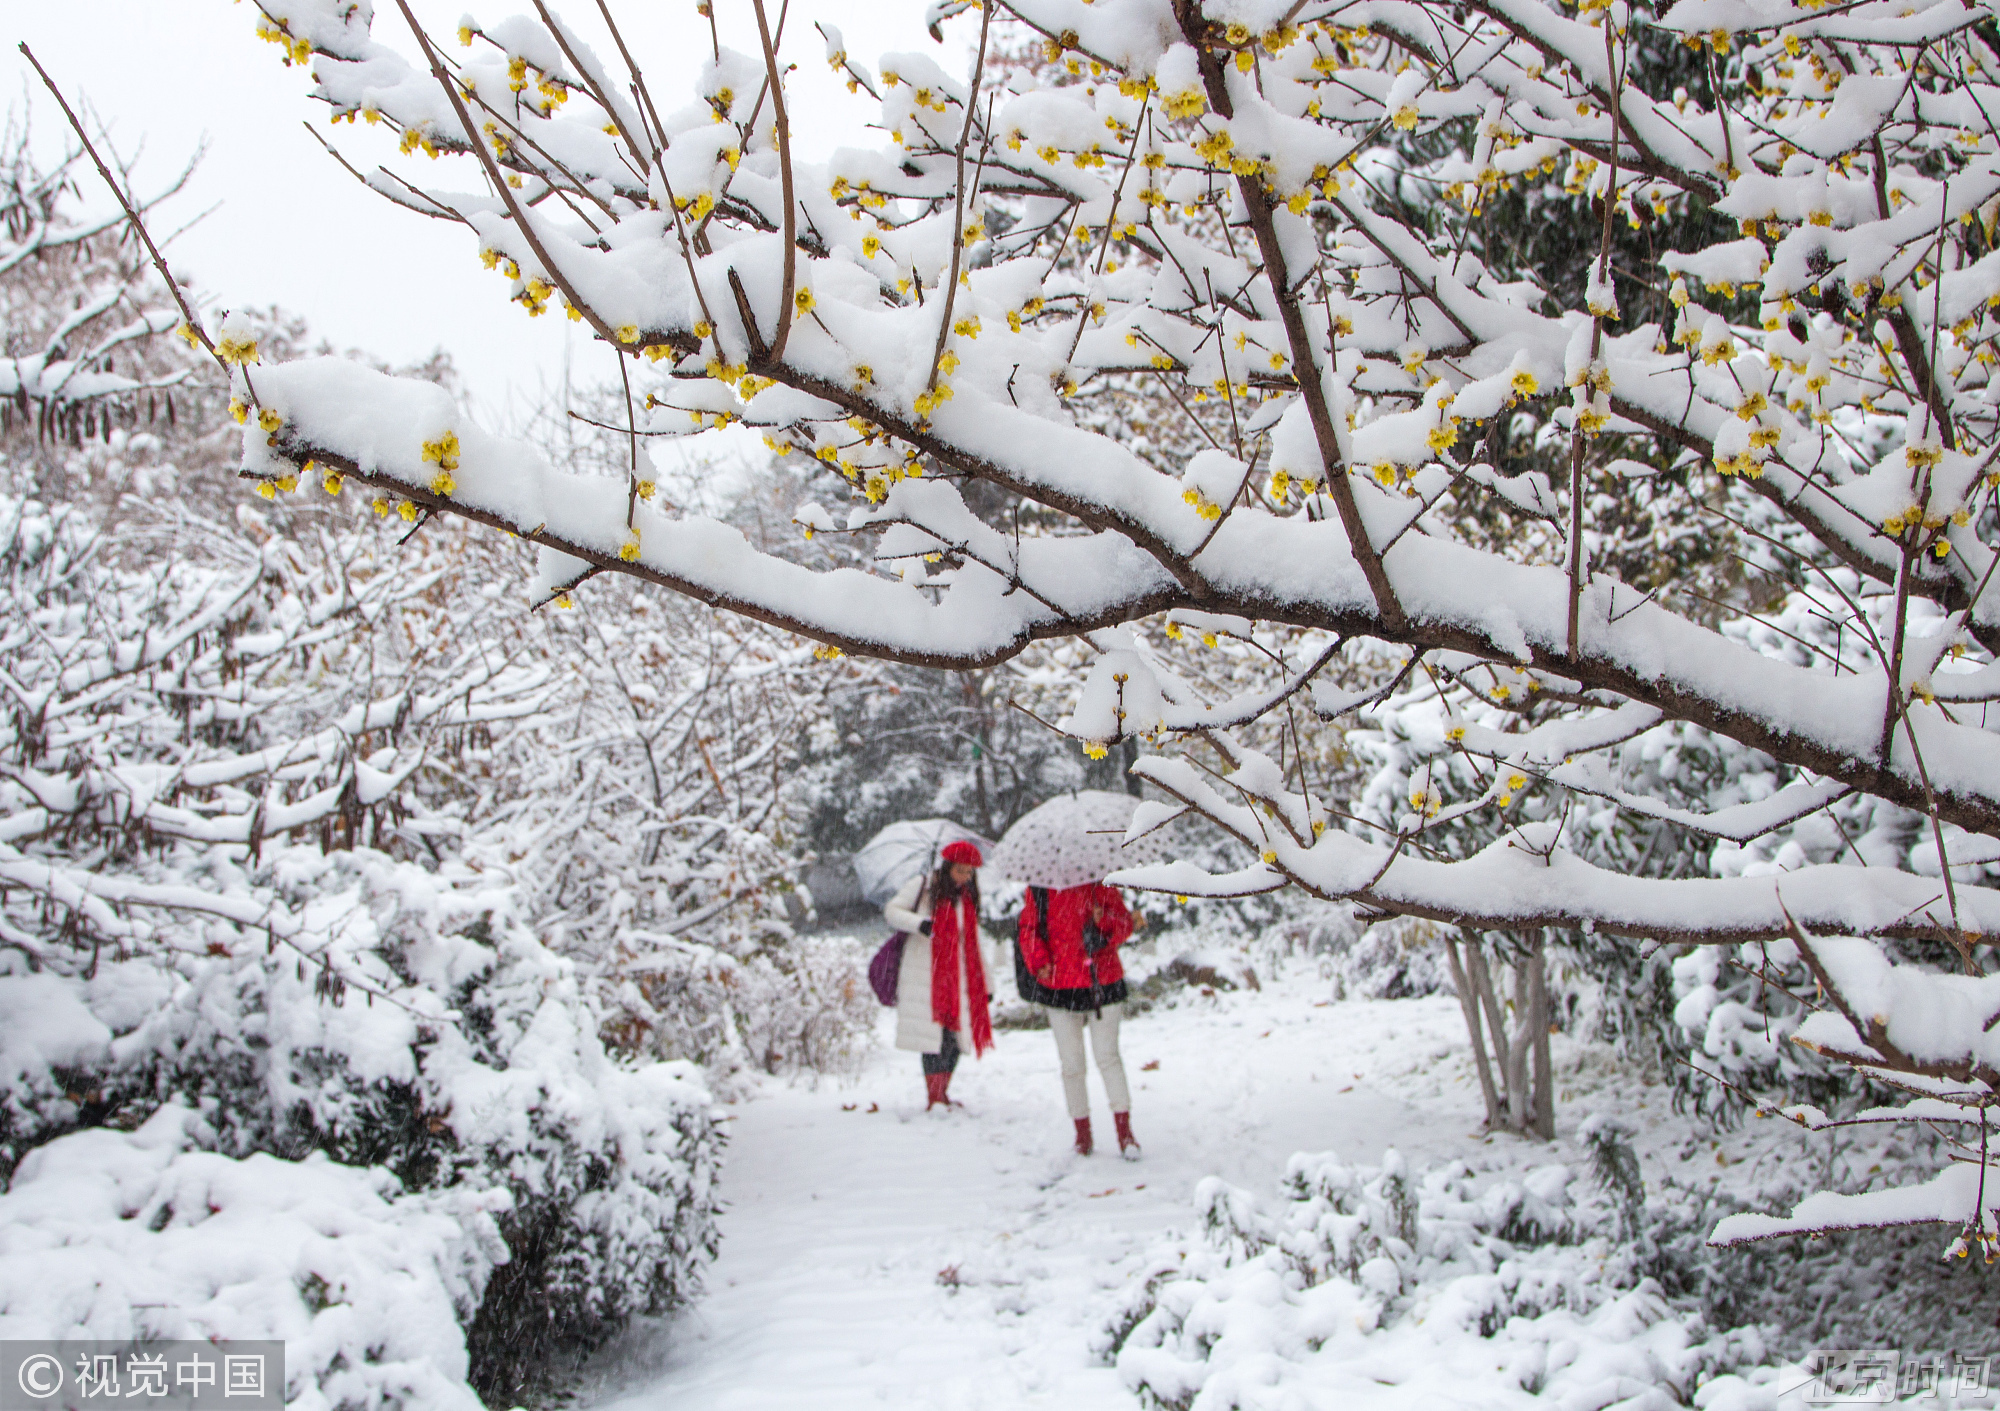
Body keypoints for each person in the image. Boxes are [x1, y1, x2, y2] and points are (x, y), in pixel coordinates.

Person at [1016, 882, 1137, 1157]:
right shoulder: (1040, 886)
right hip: (1060, 986)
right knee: (1072, 1064)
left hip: (1103, 983)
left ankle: (1125, 1133)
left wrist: (1103, 920)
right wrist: (1038, 960)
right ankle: (1082, 1135)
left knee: (1108, 1057)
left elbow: (1125, 926)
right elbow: (1028, 930)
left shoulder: (1100, 882)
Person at [883, 840, 993, 1109]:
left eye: (969, 873)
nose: (965, 878)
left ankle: (942, 1092)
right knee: (933, 1038)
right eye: (960, 871)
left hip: (959, 977)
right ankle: (934, 1096)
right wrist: (919, 923)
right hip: (925, 974)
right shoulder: (922, 888)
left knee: (954, 1037)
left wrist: (986, 984)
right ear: (947, 868)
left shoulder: (966, 899)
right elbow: (891, 912)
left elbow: (974, 942)